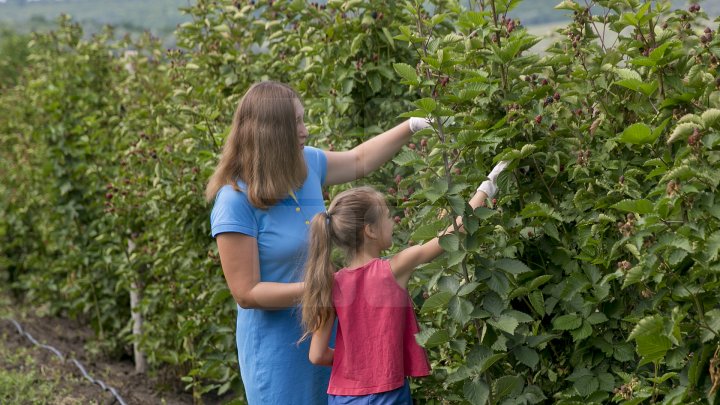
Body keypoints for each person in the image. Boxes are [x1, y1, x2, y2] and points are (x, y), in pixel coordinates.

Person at [206, 81, 433, 404]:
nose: (305, 129)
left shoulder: (306, 165)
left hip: (327, 336)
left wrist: (411, 126)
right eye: (296, 122)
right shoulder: (235, 201)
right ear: (272, 133)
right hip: (278, 349)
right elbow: (247, 293)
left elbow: (359, 160)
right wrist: (327, 288)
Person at [300, 161, 508, 403]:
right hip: (386, 393)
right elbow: (454, 231)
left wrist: (356, 361)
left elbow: (316, 355)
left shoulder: (331, 283)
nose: (392, 221)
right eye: (387, 217)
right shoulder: (393, 268)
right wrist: (489, 184)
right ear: (370, 230)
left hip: (343, 396)